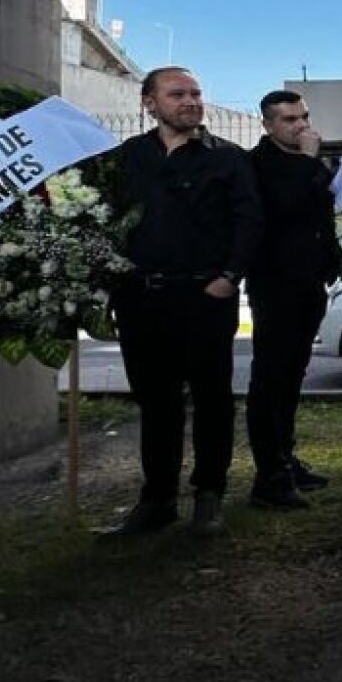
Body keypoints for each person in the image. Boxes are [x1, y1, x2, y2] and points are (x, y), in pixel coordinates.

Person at [103, 67, 263, 537]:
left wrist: (229, 277)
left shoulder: (229, 159)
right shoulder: (126, 158)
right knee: (156, 404)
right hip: (142, 301)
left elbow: (250, 222)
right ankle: (157, 500)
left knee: (213, 401)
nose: (191, 101)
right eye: (178, 94)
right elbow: (105, 219)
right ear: (149, 102)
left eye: (196, 93)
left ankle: (209, 495)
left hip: (204, 299)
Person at [244, 90, 339, 509]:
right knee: (270, 381)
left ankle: (286, 458)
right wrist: (306, 160)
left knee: (292, 377)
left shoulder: (308, 162)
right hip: (275, 286)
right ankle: (269, 475)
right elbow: (282, 207)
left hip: (308, 285)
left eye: (303, 117)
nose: (300, 126)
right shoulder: (256, 164)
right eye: (288, 120)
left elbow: (322, 211)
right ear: (267, 125)